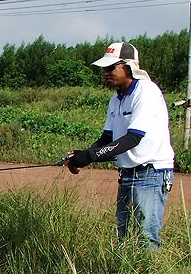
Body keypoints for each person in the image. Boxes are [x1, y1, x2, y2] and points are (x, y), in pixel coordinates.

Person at [64, 41, 175, 248]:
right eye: (104, 69)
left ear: (129, 66)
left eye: (110, 67)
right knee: (124, 235)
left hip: (150, 172)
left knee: (145, 237)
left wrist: (90, 156)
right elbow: (107, 139)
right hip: (127, 173)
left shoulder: (146, 92)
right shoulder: (116, 100)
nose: (105, 73)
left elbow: (133, 138)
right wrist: (81, 156)